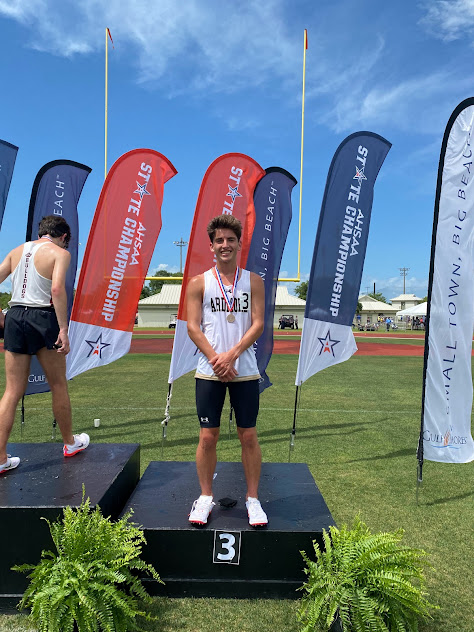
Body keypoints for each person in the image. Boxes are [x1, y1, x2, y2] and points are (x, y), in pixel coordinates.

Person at [186, 214, 267, 527]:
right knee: (208, 436)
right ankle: (205, 497)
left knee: (248, 435)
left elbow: (258, 323)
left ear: (239, 244)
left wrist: (231, 355)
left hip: (244, 368)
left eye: (230, 240)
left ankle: (253, 500)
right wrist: (217, 359)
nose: (225, 245)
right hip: (210, 370)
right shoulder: (199, 282)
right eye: (219, 240)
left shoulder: (253, 281)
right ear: (211, 246)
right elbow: (193, 327)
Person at [0, 215, 89, 475]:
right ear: (63, 237)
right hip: (43, 317)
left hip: (15, 317)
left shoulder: (17, 250)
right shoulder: (59, 253)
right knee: (58, 384)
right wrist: (63, 328)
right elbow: (58, 290)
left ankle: (0, 457)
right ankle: (69, 443)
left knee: (11, 391)